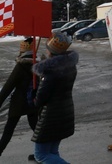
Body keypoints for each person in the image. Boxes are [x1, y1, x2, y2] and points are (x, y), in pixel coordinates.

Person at [31, 32, 78, 164]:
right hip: (65, 112)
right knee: (52, 152)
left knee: (41, 155)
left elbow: (40, 100)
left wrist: (35, 93)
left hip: (51, 116)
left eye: (47, 48)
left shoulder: (50, 71)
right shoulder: (70, 65)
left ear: (51, 51)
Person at [0, 38, 38, 159]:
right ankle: (41, 153)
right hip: (32, 101)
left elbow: (8, 87)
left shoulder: (21, 66)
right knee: (37, 129)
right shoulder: (38, 64)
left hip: (19, 103)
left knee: (9, 130)